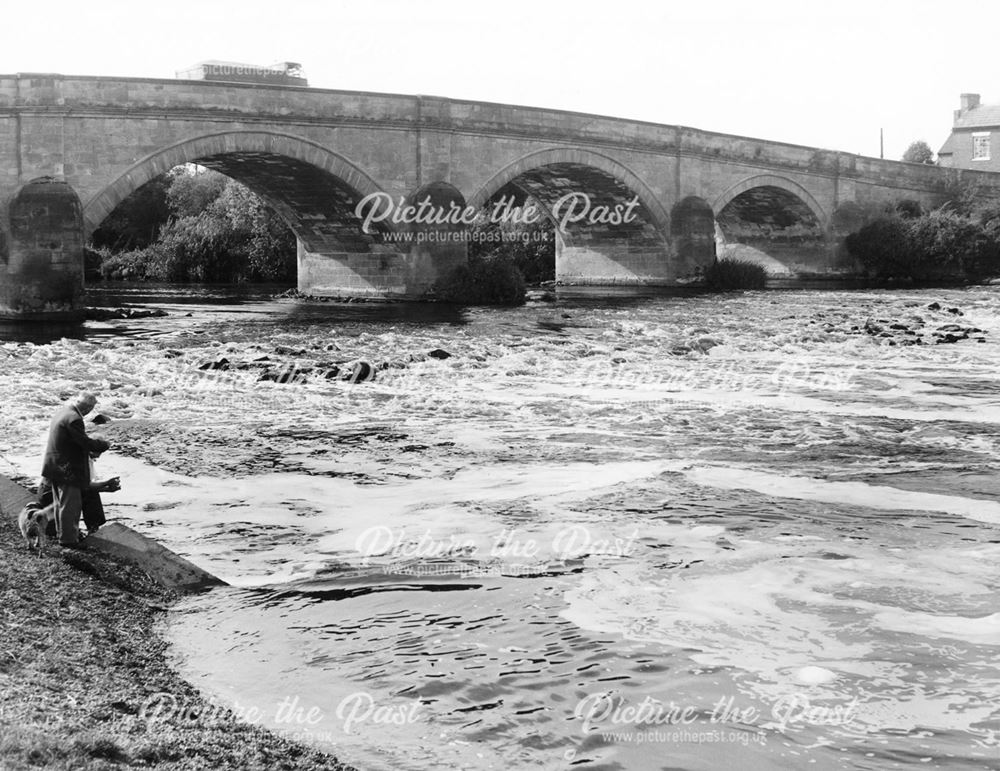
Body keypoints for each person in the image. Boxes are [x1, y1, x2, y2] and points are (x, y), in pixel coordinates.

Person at [40, 392, 110, 547]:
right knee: (70, 506)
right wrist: (103, 445)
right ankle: (69, 541)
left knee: (60, 505)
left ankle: (63, 536)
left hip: (55, 466)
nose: (90, 412)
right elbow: (84, 442)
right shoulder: (75, 419)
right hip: (67, 470)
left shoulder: (63, 412)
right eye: (91, 409)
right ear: (87, 408)